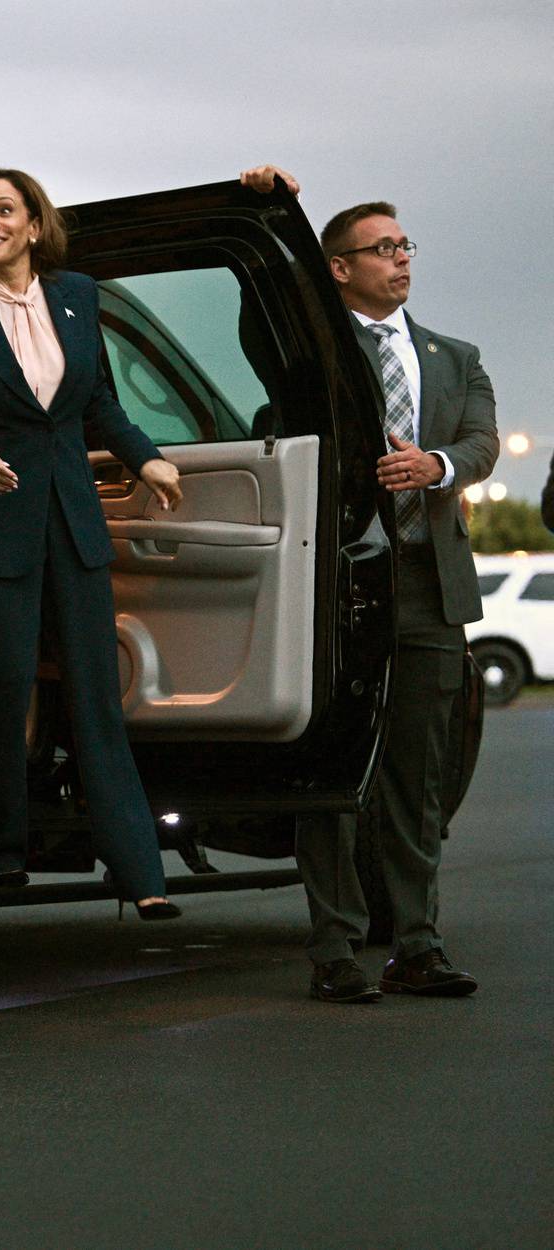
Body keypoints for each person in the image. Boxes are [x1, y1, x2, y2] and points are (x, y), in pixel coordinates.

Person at [241, 166, 496, 1002]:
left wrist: (440, 465)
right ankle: (336, 951)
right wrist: (266, 208)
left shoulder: (456, 358)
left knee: (418, 781)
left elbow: (482, 445)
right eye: (381, 248)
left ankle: (417, 943)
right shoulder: (310, 355)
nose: (400, 259)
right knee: (335, 771)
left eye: (404, 245)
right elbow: (258, 329)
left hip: (427, 585)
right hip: (340, 584)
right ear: (339, 267)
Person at [0, 168, 181, 917]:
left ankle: (140, 872)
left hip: (73, 519)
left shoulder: (79, 296)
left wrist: (146, 456)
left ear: (36, 224)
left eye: (4, 210)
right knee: (3, 694)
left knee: (97, 694)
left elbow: (97, 400)